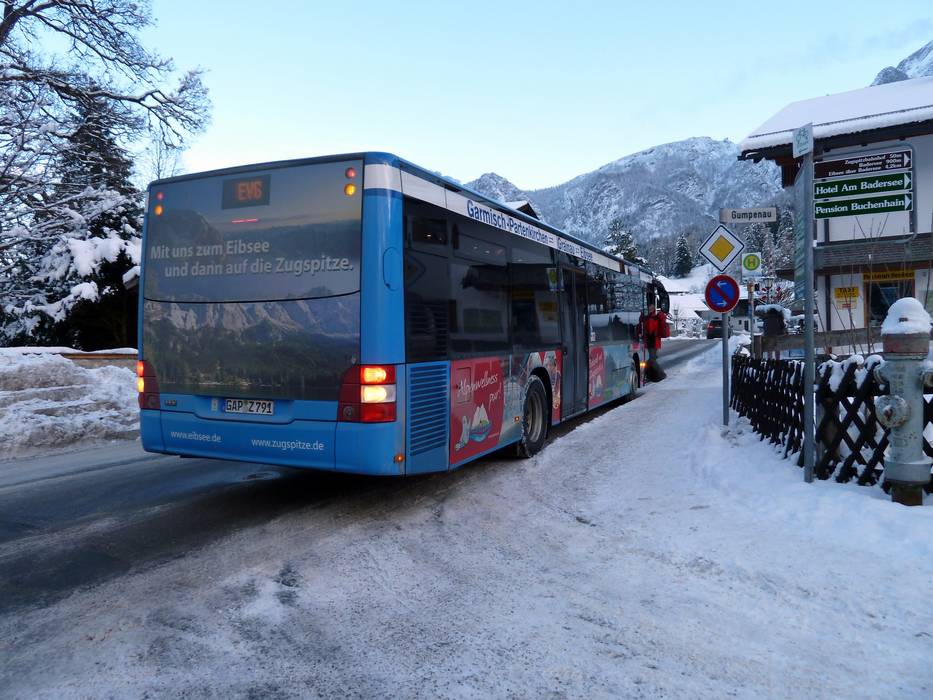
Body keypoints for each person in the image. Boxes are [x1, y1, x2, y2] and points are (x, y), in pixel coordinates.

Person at [638, 302, 668, 381]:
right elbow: (641, 326)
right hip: (649, 341)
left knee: (652, 359)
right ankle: (651, 376)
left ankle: (659, 375)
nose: (650, 308)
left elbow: (652, 328)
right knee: (650, 360)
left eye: (651, 307)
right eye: (649, 307)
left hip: (654, 341)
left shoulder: (656, 316)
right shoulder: (646, 316)